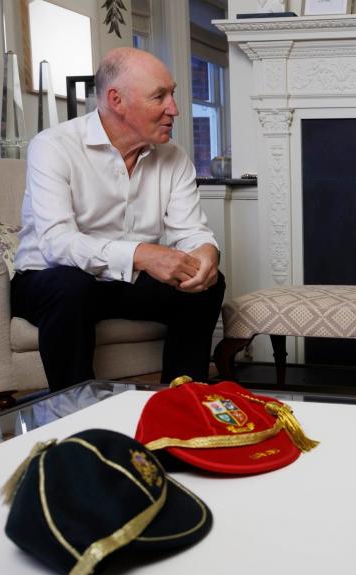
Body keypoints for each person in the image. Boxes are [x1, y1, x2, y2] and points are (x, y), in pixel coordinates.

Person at [12, 47, 226, 391]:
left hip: (124, 281)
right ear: (117, 100)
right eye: (160, 96)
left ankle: (180, 403)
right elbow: (56, 244)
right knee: (71, 287)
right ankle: (76, 414)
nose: (175, 109)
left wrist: (206, 254)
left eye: (172, 94)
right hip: (48, 279)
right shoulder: (53, 146)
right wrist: (142, 253)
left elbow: (191, 230)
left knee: (205, 284)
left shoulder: (174, 157)